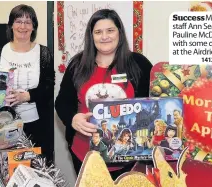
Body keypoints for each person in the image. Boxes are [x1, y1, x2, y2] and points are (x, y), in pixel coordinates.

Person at [55, 9, 152, 180]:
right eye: (98, 32)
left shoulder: (139, 64)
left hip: (128, 158)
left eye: (110, 30)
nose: (104, 36)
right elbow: (62, 102)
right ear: (91, 36)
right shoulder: (77, 65)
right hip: (85, 155)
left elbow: (152, 104)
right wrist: (72, 119)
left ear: (119, 33)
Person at [0, 4, 55, 161]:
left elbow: (49, 85)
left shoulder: (44, 53)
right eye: (18, 21)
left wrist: (27, 96)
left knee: (37, 166)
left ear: (33, 27)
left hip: (36, 124)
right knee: (8, 168)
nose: (23, 26)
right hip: (4, 124)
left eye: (28, 22)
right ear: (11, 24)